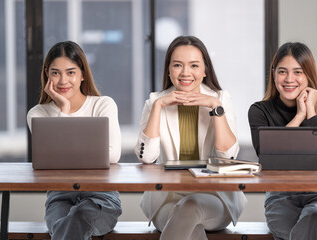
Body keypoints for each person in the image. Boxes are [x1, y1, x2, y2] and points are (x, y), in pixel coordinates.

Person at [135, 36, 246, 240]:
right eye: (177, 65)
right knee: (191, 228)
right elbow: (147, 157)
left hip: (215, 197)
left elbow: (228, 155)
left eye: (194, 65)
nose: (185, 73)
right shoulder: (155, 101)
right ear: (169, 70)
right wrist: (159, 106)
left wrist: (214, 107)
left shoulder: (220, 99)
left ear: (205, 70)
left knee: (190, 207)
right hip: (166, 198)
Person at [27, 41, 122, 240]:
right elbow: (53, 159)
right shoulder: (37, 114)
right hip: (60, 198)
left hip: (102, 197)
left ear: (82, 74)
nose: (63, 81)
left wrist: (65, 112)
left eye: (70, 72)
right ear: (47, 74)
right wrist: (65, 109)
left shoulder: (103, 105)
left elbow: (112, 155)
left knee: (75, 219)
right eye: (55, 73)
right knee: (69, 221)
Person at [248, 42, 317, 240]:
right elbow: (269, 154)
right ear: (274, 74)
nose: (289, 79)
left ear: (308, 75)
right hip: (280, 196)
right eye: (282, 71)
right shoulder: (259, 111)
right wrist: (299, 116)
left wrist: (310, 111)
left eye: (297, 72)